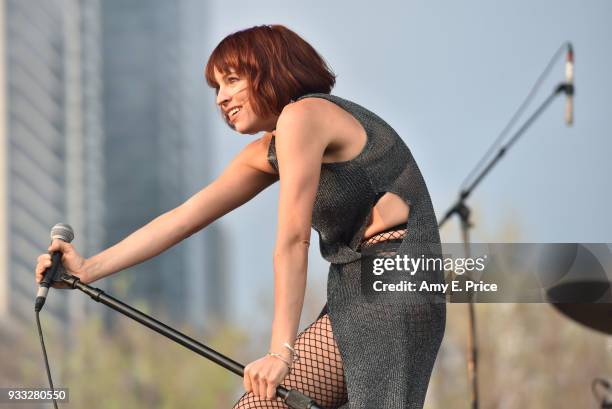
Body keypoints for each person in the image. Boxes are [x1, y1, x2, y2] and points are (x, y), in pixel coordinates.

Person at [35, 25, 446, 409]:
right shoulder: (265, 152)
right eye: (217, 87)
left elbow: (292, 240)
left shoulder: (305, 116)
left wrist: (280, 352)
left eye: (232, 80)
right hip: (351, 295)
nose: (221, 98)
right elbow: (182, 219)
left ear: (273, 70)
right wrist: (87, 269)